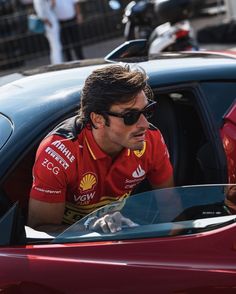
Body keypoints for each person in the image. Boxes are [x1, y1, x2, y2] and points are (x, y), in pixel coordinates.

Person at [27, 64, 174, 234]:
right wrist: (91, 229)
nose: (144, 124)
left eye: (147, 111)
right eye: (130, 116)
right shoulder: (59, 154)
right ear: (98, 119)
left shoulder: (151, 139)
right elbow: (39, 232)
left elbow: (171, 209)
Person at [33, 0, 63, 64]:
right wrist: (48, 23)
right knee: (55, 46)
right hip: (49, 24)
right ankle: (57, 63)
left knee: (56, 46)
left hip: (51, 22)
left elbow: (51, 6)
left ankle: (57, 62)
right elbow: (40, 14)